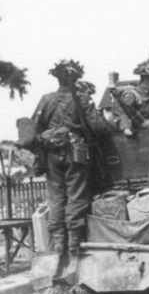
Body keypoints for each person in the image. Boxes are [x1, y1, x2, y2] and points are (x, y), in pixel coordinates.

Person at [32, 60, 103, 254]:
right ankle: (73, 241)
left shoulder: (46, 100)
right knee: (76, 194)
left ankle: (58, 242)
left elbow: (34, 127)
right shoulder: (82, 99)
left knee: (56, 196)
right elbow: (98, 127)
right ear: (76, 78)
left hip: (51, 153)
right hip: (76, 152)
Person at [114, 58, 149, 136]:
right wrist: (126, 127)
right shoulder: (133, 95)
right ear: (147, 77)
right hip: (140, 138)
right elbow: (123, 111)